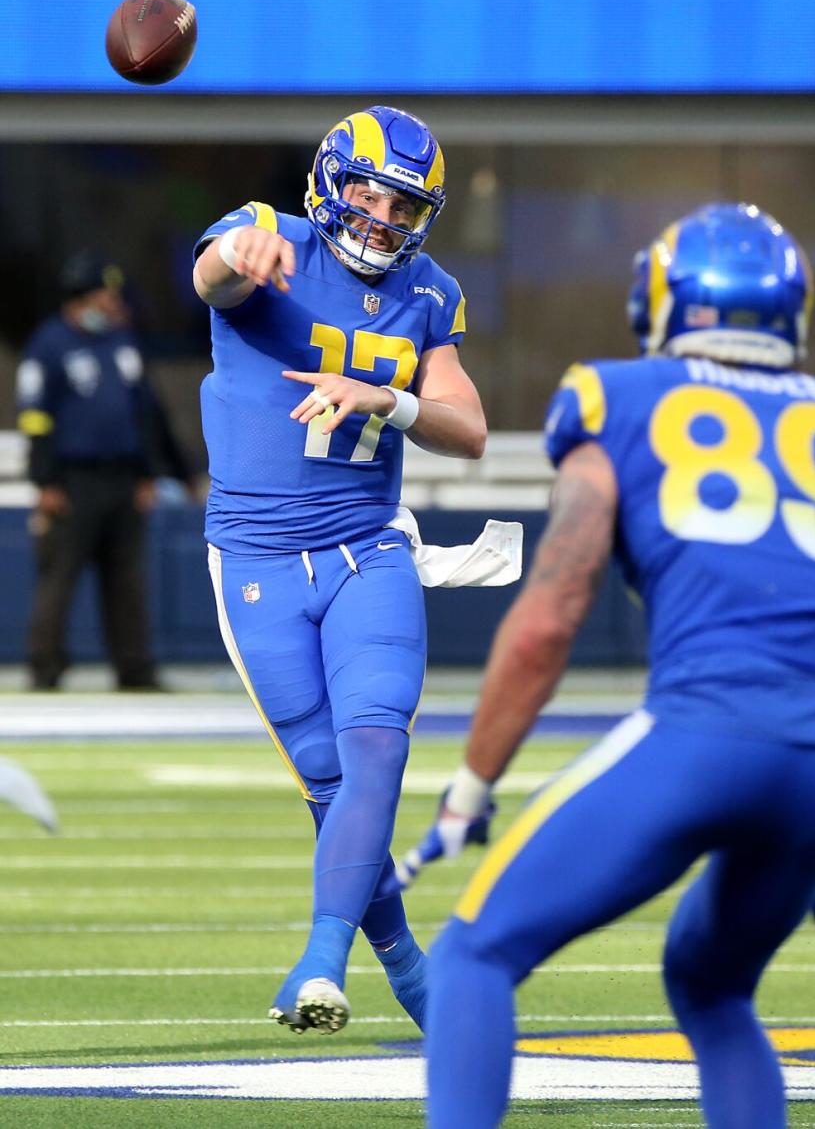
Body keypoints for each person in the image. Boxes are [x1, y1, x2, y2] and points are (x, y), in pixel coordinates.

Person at [415, 203, 815, 1128]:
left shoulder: (615, 394)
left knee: (474, 953)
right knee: (711, 985)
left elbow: (550, 614)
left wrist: (471, 783)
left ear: (666, 302)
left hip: (704, 731)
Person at [190, 105, 487, 1036]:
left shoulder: (429, 290)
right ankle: (405, 965)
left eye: (405, 205)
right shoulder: (267, 232)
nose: (382, 217)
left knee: (377, 746)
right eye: (368, 191)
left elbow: (468, 431)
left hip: (368, 546)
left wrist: (387, 398)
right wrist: (239, 254)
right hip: (256, 561)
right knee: (329, 785)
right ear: (330, 180)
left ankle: (321, 962)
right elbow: (211, 276)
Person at [17, 252, 195, 692]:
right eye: (105, 294)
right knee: (59, 576)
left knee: (128, 581)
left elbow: (147, 412)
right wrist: (47, 481)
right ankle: (46, 669)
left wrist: (155, 472)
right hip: (73, 480)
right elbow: (35, 418)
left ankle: (135, 671)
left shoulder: (122, 341)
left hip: (124, 478)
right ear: (81, 297)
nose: (113, 303)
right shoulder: (49, 344)